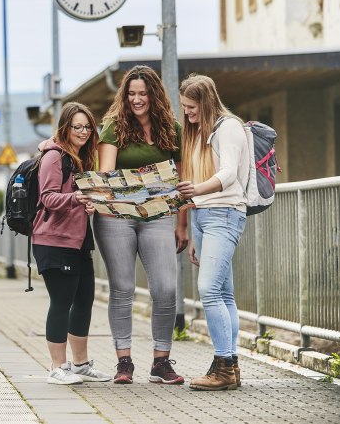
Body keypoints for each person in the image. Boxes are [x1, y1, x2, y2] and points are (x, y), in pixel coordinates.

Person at [94, 65, 188, 385]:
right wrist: (141, 184)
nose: (137, 99)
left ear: (154, 95)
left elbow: (182, 180)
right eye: (132, 94)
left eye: (143, 94)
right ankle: (124, 362)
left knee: (165, 288)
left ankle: (161, 362)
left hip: (159, 216)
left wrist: (182, 225)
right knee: (122, 289)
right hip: (116, 217)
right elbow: (107, 175)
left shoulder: (172, 129)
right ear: (125, 96)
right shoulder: (113, 127)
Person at [176, 74, 249, 391]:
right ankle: (229, 366)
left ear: (205, 102)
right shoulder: (199, 133)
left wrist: (196, 190)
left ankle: (222, 368)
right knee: (224, 293)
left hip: (224, 213)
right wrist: (194, 232)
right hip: (203, 216)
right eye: (184, 107)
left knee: (208, 290)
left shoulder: (229, 127)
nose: (187, 112)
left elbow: (229, 174)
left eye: (191, 107)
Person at [32, 102, 112, 385]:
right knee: (61, 302)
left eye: (88, 127)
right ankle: (57, 367)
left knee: (84, 300)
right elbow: (47, 197)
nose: (83, 132)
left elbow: (73, 197)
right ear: (65, 128)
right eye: (77, 127)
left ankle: (80, 365)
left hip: (77, 240)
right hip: (54, 240)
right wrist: (75, 198)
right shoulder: (54, 157)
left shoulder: (80, 158)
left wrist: (86, 204)